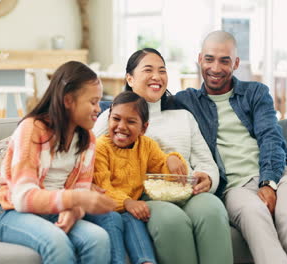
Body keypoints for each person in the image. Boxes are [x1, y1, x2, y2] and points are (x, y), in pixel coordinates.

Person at [174, 30, 287, 264]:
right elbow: (144, 106)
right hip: (234, 188)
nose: (216, 68)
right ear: (200, 59)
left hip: (279, 174)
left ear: (236, 63)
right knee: (257, 220)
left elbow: (270, 136)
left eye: (224, 60)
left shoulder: (255, 93)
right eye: (209, 59)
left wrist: (268, 182)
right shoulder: (185, 101)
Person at [94, 48, 233, 264]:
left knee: (213, 210)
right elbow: (88, 158)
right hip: (146, 196)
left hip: (188, 190)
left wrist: (207, 178)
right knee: (172, 220)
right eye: (148, 70)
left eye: (162, 70)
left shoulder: (183, 117)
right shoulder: (112, 117)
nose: (157, 76)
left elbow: (206, 161)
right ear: (130, 78)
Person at [0, 61, 117, 264]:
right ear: (68, 100)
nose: (98, 109)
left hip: (55, 212)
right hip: (14, 213)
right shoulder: (32, 129)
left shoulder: (88, 139)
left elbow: (80, 189)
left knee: (99, 238)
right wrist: (78, 200)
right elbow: (23, 198)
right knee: (57, 242)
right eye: (93, 102)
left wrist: (73, 211)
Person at [94, 91, 189, 264]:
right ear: (108, 119)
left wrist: (172, 158)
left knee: (133, 221)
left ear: (143, 128)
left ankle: (146, 262)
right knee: (125, 218)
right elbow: (103, 188)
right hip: (108, 208)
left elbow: (162, 169)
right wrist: (127, 203)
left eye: (131, 121)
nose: (121, 126)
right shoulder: (100, 148)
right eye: (116, 119)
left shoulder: (146, 146)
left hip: (131, 208)